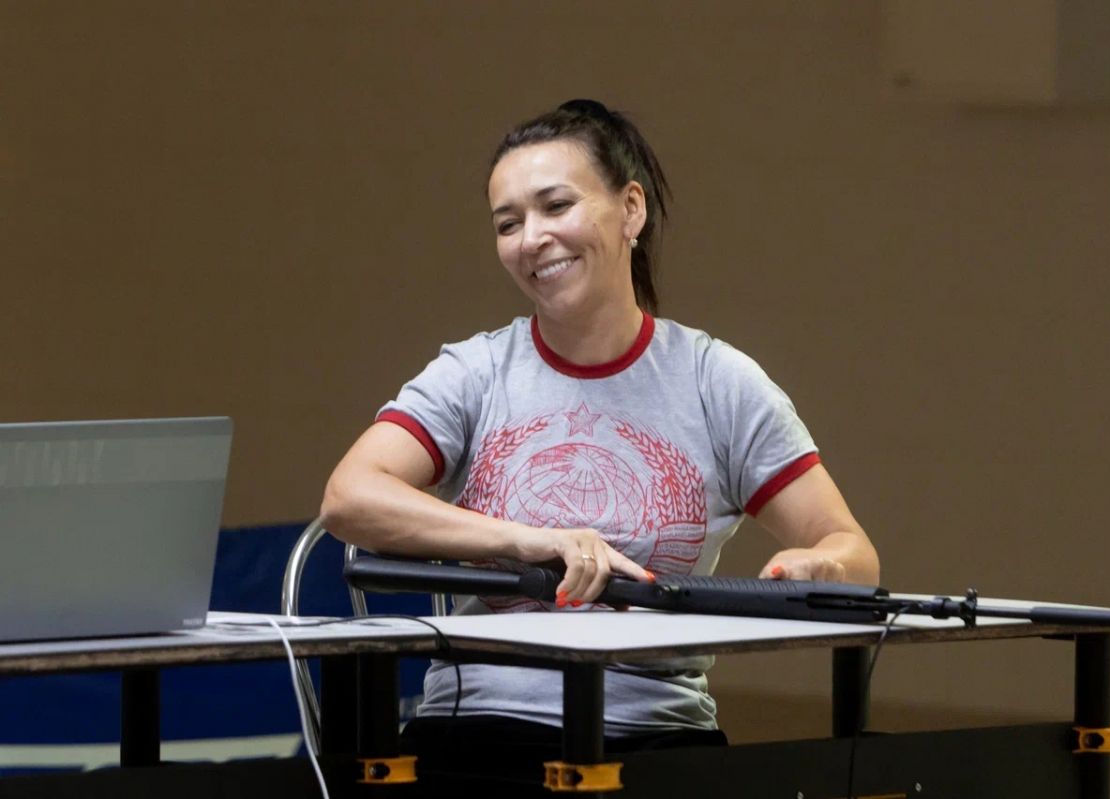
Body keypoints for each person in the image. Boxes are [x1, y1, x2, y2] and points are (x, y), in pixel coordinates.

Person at [321, 99, 879, 779]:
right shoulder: (475, 370)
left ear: (631, 210)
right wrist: (530, 540)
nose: (531, 238)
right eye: (508, 223)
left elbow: (853, 552)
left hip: (653, 735)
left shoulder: (717, 380)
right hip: (475, 727)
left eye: (556, 206)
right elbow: (349, 497)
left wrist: (822, 567)